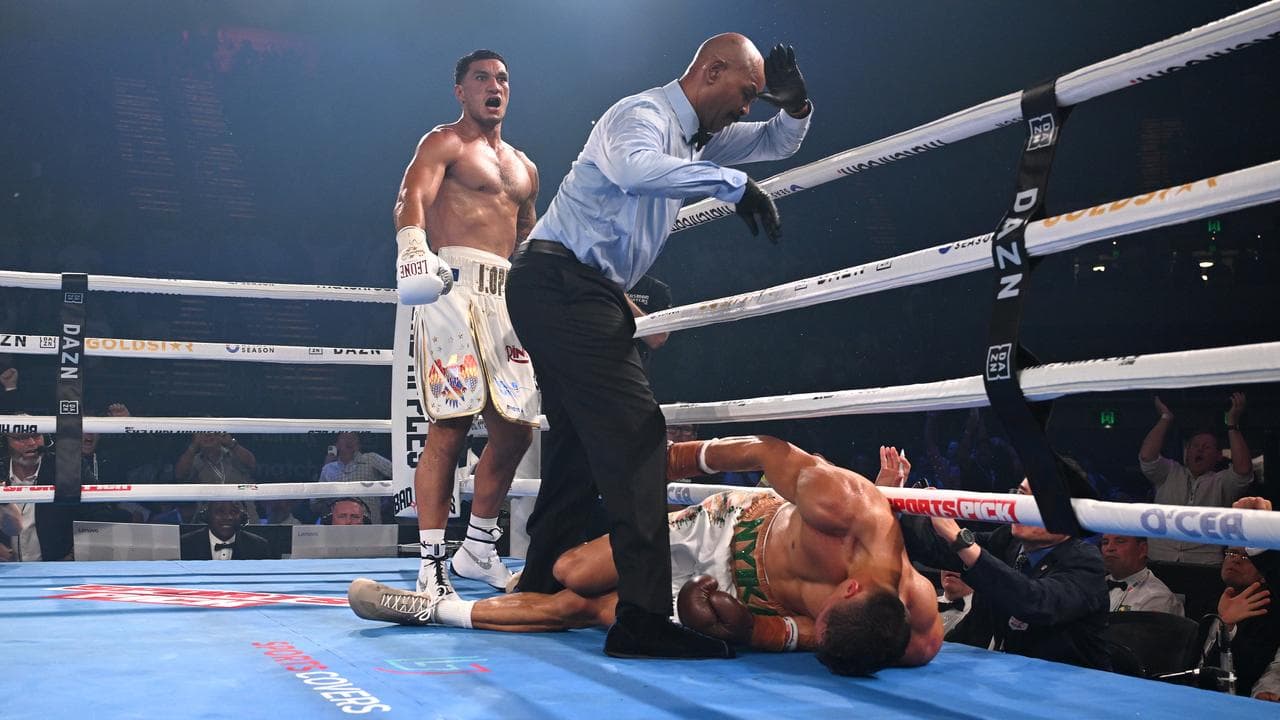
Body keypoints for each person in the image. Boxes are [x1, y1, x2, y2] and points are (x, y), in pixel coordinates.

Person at [504, 34, 812, 658]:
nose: (747, 109)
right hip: (564, 284)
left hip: (574, 288)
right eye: (746, 94)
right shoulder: (639, 116)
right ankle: (643, 619)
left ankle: (537, 584)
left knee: (575, 447)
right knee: (638, 436)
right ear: (712, 71)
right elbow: (635, 170)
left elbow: (774, 143)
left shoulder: (703, 137)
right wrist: (732, 186)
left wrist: (796, 105)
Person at [348, 435, 942, 674]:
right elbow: (764, 450)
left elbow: (803, 634)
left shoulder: (897, 633)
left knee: (588, 609)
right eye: (828, 617)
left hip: (735, 592)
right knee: (571, 572)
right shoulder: (847, 510)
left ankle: (430, 608)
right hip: (731, 527)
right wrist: (678, 460)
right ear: (855, 589)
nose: (820, 622)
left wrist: (742, 627)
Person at [392, 49, 540, 598]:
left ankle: (478, 548)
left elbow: (529, 239)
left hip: (505, 296)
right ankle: (430, 563)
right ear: (461, 90)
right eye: (481, 78)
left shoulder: (525, 167)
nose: (493, 85)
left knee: (516, 429)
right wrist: (412, 246)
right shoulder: (443, 142)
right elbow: (412, 196)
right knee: (450, 424)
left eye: (502, 77)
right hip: (450, 286)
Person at [898, 475, 1111, 670]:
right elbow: (934, 548)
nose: (1022, 507)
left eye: (1037, 499)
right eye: (1020, 495)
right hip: (1006, 676)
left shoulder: (1086, 562)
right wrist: (889, 499)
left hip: (1072, 692)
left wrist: (959, 539)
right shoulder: (1008, 541)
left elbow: (1035, 602)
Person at [1139, 393, 1253, 565]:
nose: (1199, 450)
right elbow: (1147, 457)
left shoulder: (1221, 481)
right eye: (1195, 446)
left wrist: (1232, 425)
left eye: (1206, 447)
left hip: (1204, 563)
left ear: (1218, 456)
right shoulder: (1170, 471)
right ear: (1187, 451)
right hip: (1160, 558)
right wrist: (1165, 417)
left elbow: (1243, 470)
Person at [0, 429, 79, 561]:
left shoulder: (66, 470)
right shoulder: (1, 470)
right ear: (5, 442)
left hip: (55, 569)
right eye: (22, 438)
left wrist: (72, 557)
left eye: (36, 436)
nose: (31, 443)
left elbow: (97, 515)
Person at [175, 431, 259, 523]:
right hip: (209, 520)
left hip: (243, 517)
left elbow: (251, 463)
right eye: (203, 432)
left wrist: (231, 443)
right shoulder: (194, 461)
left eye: (212, 431)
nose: (208, 435)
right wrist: (193, 446)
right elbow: (180, 474)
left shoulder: (235, 454)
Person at [316, 432, 391, 523]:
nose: (349, 441)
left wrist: (388, 497)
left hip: (370, 525)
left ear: (358, 444)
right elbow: (316, 503)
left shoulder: (371, 459)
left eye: (353, 438)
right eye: (345, 437)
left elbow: (398, 474)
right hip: (337, 528)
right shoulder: (328, 469)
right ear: (336, 445)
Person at [1100, 534, 1183, 615]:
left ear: (1142, 549)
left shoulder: (1156, 597)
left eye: (1120, 541)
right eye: (1105, 542)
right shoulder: (1095, 585)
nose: (1109, 548)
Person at [179, 501, 273, 560]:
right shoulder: (185, 545)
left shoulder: (259, 546)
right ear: (207, 516)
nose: (228, 517)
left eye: (233, 512)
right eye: (220, 511)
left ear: (243, 517)